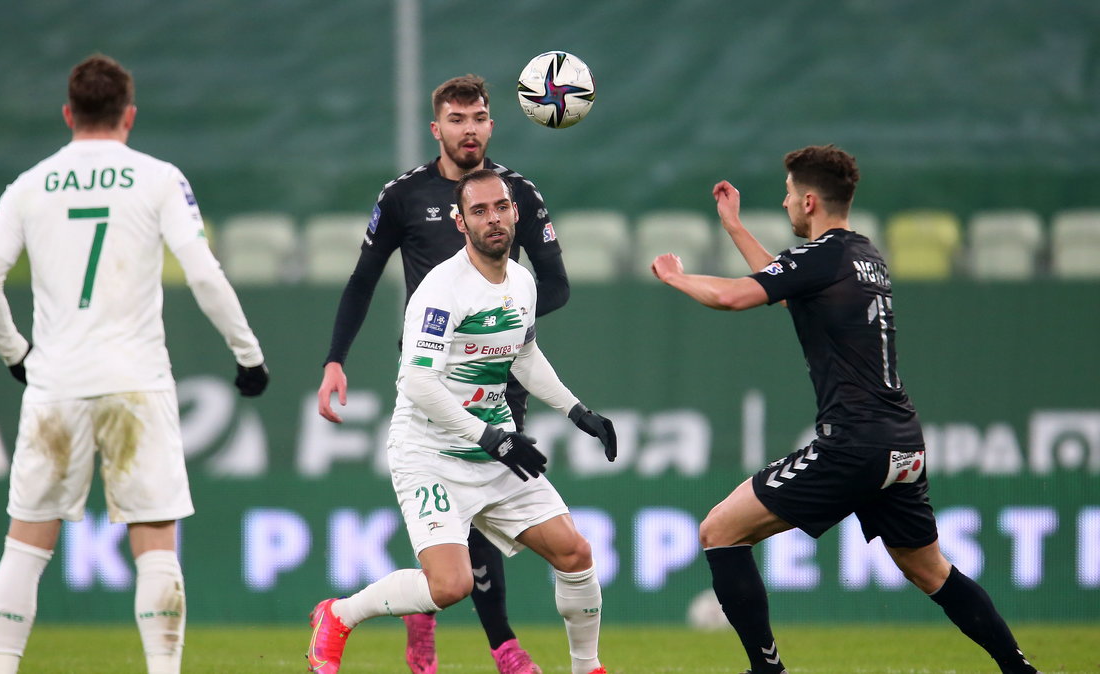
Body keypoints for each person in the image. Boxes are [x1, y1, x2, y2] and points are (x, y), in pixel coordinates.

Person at [650, 144, 1041, 674]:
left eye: (789, 195)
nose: (786, 204)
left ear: (809, 201)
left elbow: (735, 297)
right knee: (930, 571)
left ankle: (768, 670)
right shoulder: (863, 255)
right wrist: (735, 227)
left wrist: (676, 277)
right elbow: (790, 290)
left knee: (719, 531)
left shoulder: (822, 257)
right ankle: (1019, 669)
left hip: (853, 442)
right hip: (900, 442)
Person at [0, 54, 269, 674]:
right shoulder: (157, 178)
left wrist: (14, 353)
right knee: (155, 545)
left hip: (56, 383)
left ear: (67, 113)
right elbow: (204, 273)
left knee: (25, 545)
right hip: (135, 383)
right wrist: (248, 354)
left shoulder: (29, 184)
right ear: (129, 114)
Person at [306, 168, 615, 674]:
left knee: (574, 552)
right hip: (428, 451)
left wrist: (578, 411)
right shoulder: (441, 289)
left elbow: (525, 356)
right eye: (479, 210)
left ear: (515, 212)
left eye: (500, 207)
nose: (492, 218)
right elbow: (418, 384)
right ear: (459, 221)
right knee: (450, 587)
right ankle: (338, 615)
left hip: (492, 448)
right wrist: (493, 438)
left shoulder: (521, 282)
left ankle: (588, 668)